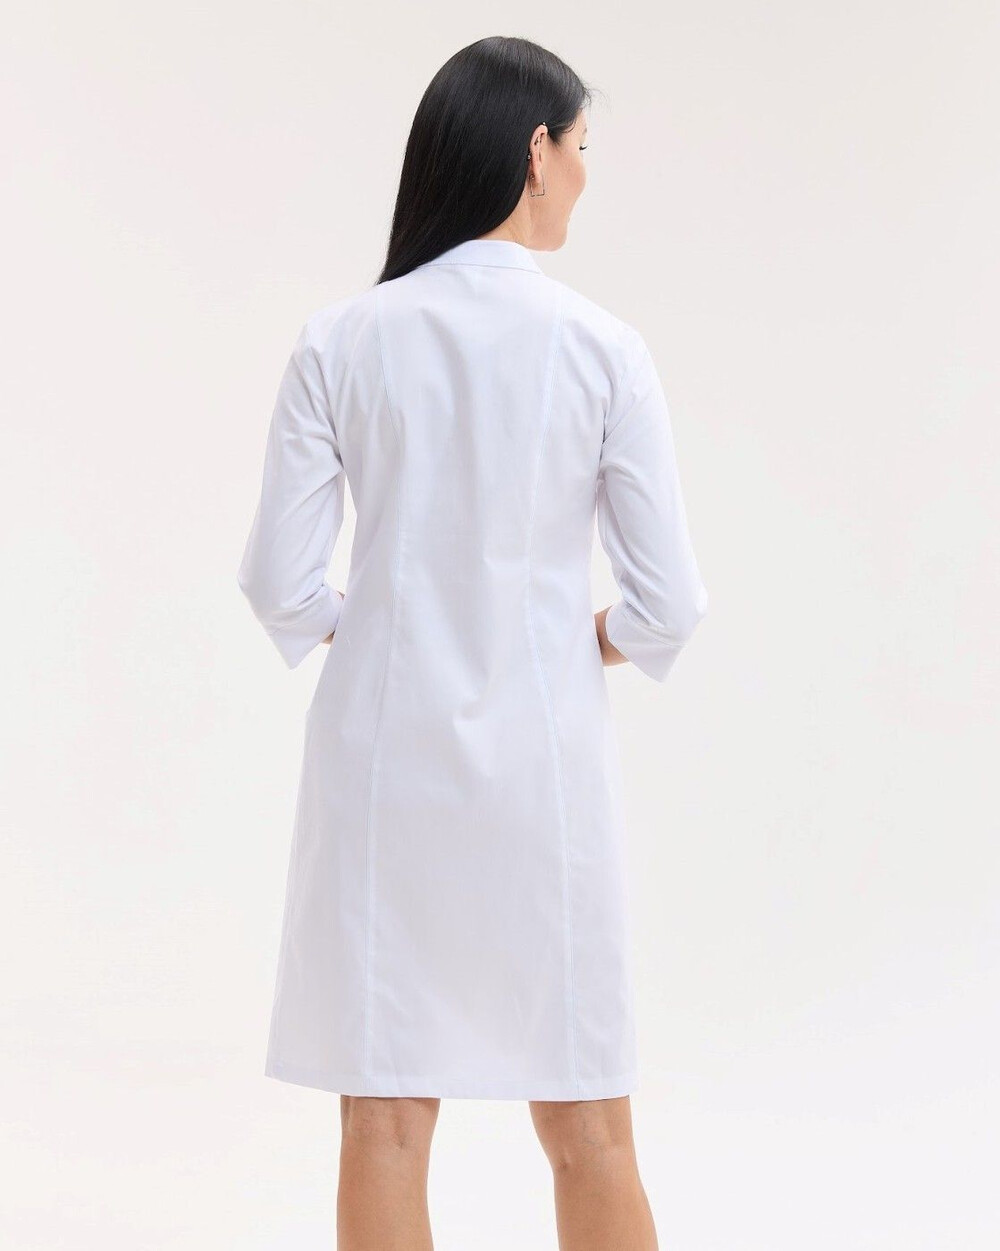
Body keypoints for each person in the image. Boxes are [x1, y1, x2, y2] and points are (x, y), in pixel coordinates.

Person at [237, 34, 708, 1251]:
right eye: (583, 147)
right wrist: (581, 637)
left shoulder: (341, 339)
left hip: (382, 775)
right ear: (534, 151)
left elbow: (281, 585)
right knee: (590, 1126)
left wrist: (379, 630)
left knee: (385, 1124)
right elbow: (667, 606)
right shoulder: (602, 349)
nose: (587, 176)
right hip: (544, 778)